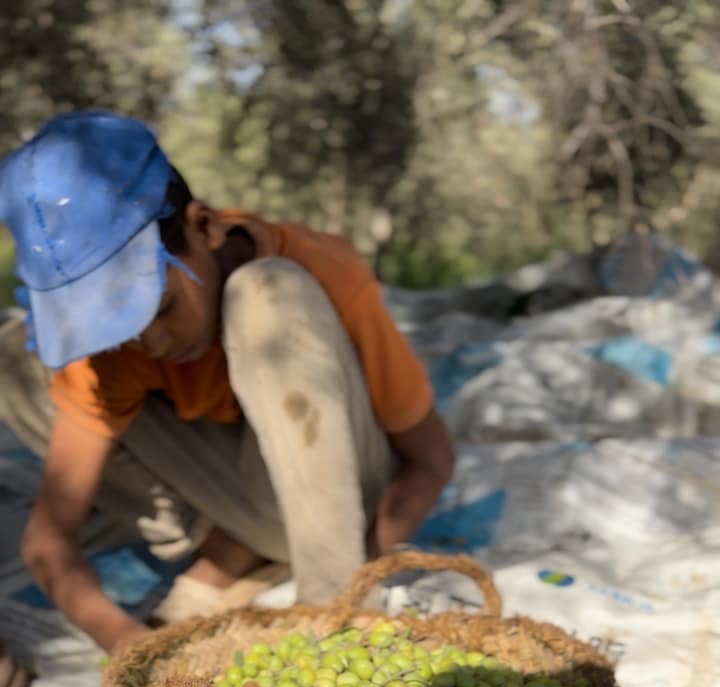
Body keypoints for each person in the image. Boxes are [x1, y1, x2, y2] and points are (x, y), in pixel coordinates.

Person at [0, 110, 454, 655]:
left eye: (162, 309)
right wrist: (133, 649)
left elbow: (431, 458)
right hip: (236, 500)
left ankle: (324, 599)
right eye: (121, 330)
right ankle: (230, 548)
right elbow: (48, 543)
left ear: (205, 226)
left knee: (267, 292)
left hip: (335, 505)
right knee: (15, 357)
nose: (153, 345)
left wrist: (358, 571)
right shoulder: (117, 345)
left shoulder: (322, 269)